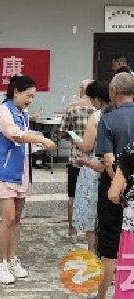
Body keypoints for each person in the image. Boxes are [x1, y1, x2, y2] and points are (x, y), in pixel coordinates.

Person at [0, 75, 56, 284]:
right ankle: (0, 264)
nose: (30, 100)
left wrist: (38, 141)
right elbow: (15, 135)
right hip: (2, 172)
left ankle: (13, 259)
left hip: (19, 172)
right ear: (16, 92)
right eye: (28, 95)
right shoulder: (2, 111)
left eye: (33, 96)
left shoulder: (22, 112)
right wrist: (41, 139)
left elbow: (24, 134)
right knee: (8, 219)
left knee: (16, 220)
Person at [94, 72, 134, 299]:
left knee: (110, 244)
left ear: (114, 92)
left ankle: (102, 296)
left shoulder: (108, 120)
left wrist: (119, 186)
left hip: (115, 193)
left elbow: (108, 160)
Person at [71, 80, 110, 253]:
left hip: (95, 168)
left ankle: (92, 254)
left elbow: (87, 146)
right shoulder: (121, 113)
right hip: (115, 170)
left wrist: (75, 138)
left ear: (96, 99)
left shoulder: (97, 116)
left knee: (91, 217)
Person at [59, 79, 96, 243]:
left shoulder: (71, 107)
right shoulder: (99, 108)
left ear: (82, 90)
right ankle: (92, 230)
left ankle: (72, 231)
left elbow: (61, 133)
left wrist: (73, 135)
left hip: (75, 157)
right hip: (95, 159)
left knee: (72, 195)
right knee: (93, 195)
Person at [108, 141, 134, 299]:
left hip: (132, 226)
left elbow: (113, 194)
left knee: (129, 279)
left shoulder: (130, 150)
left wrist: (125, 198)